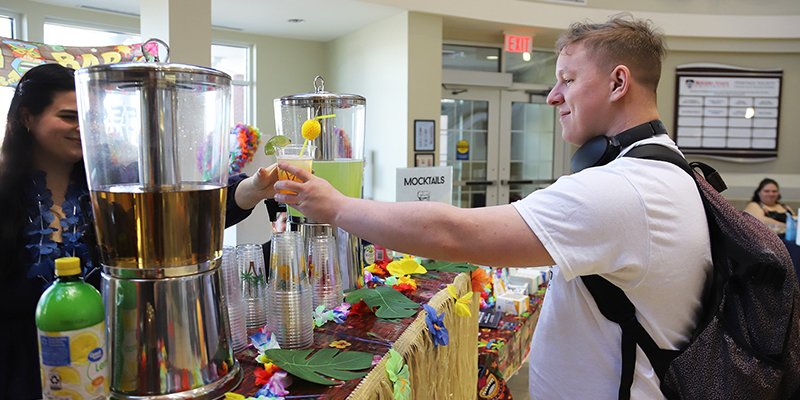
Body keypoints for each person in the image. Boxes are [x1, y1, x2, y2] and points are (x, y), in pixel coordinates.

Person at [274, 14, 712, 400]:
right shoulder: (662, 167)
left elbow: (454, 233)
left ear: (618, 83)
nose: (552, 96)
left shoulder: (622, 190)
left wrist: (335, 207)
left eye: (569, 80)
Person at [0, 63, 278, 399]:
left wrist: (254, 187)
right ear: (27, 118)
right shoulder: (6, 196)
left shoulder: (116, 186)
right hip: (25, 373)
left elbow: (182, 220)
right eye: (68, 116)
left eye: (87, 119)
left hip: (117, 364)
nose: (81, 128)